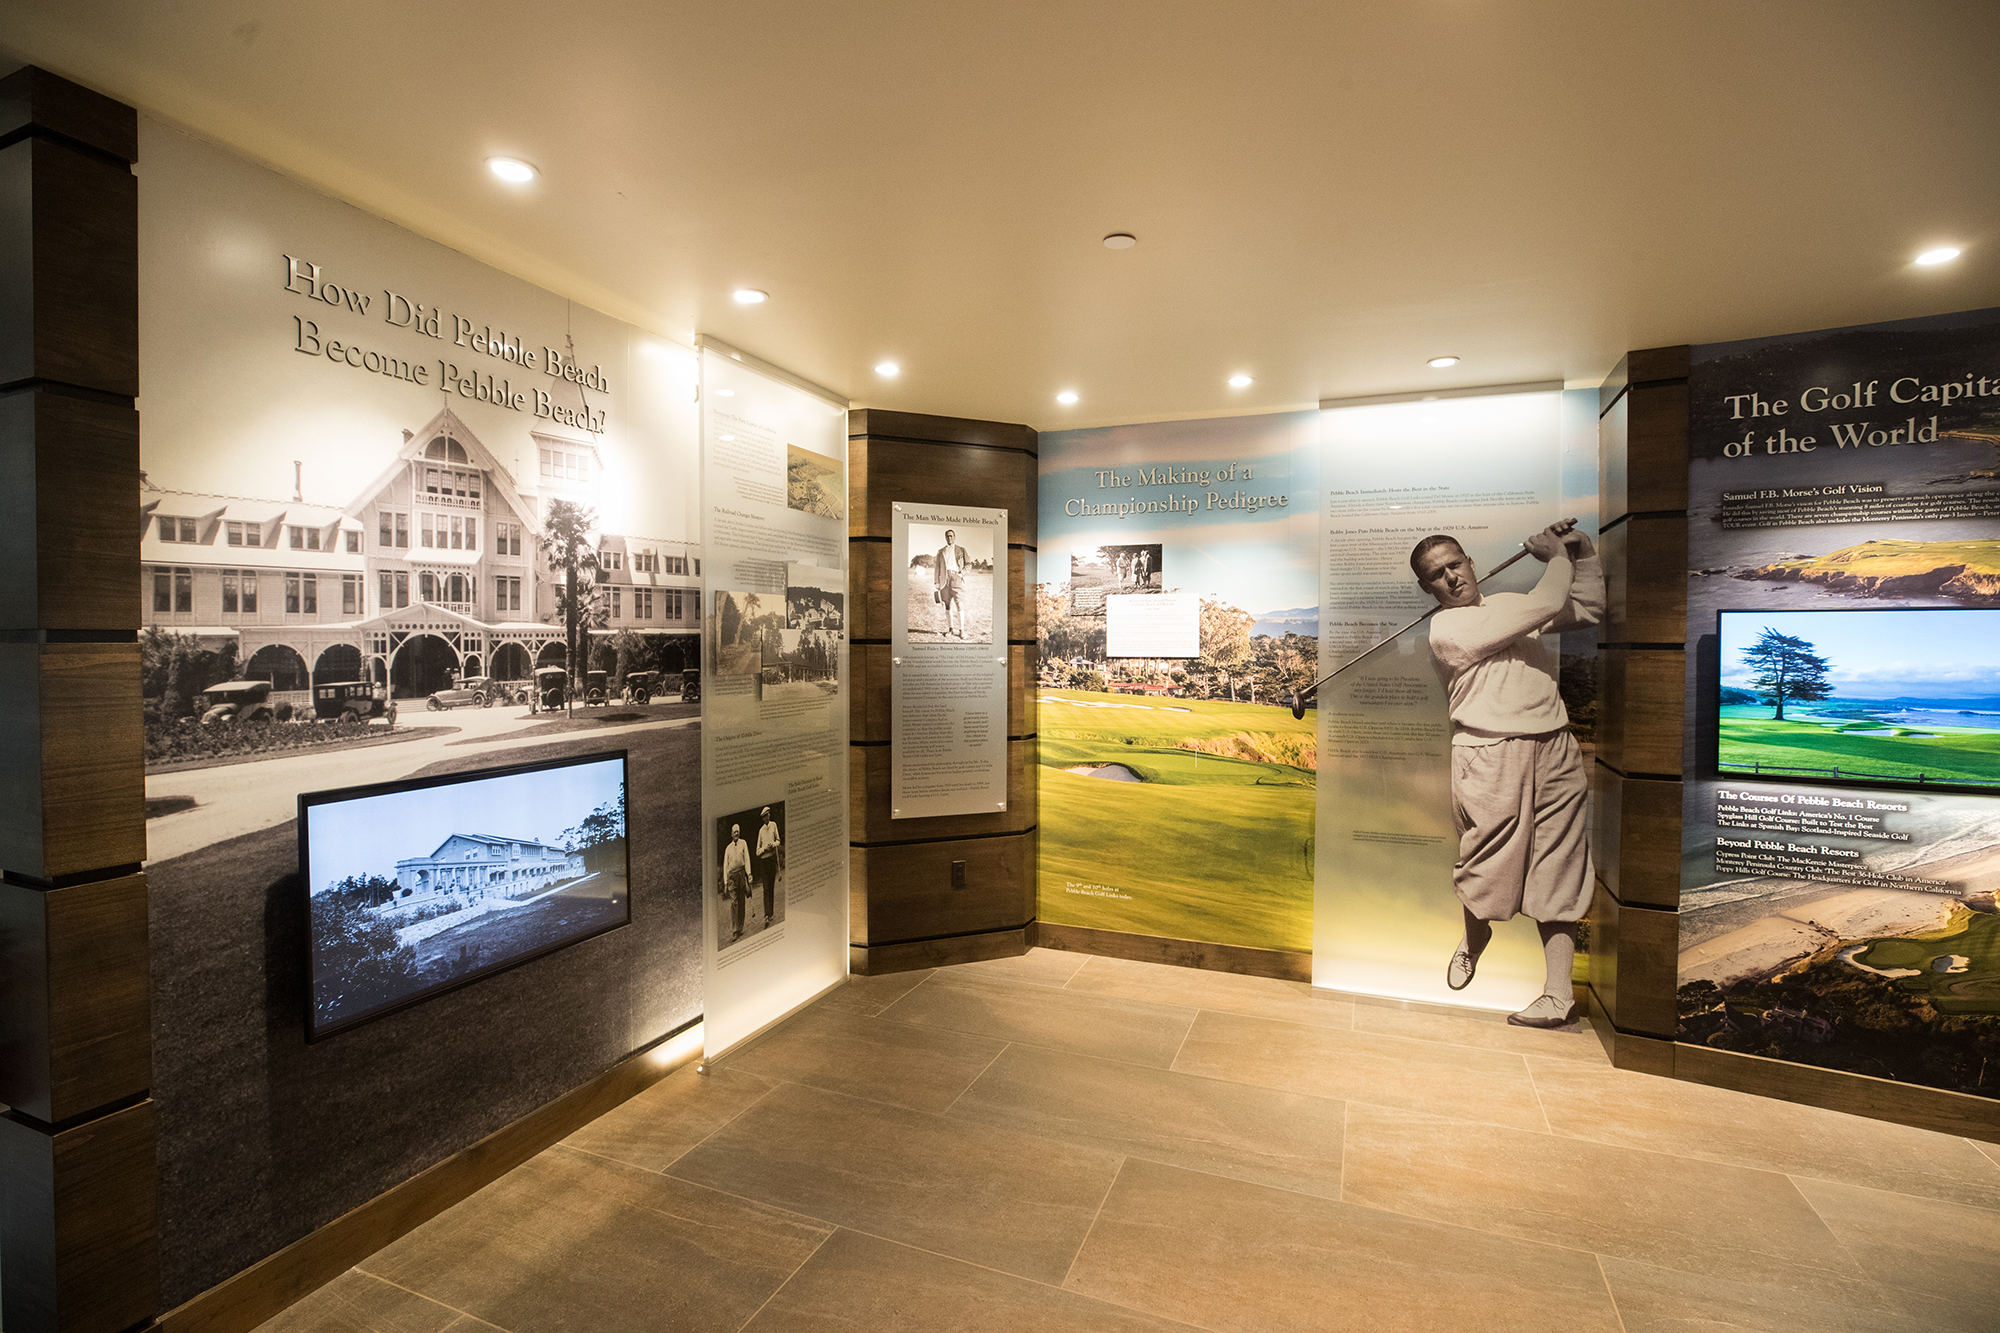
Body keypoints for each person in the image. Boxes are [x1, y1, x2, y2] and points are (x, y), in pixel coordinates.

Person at [1412, 520, 1603, 1028]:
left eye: (1455, 564)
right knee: (1487, 861)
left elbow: (1586, 609)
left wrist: (1579, 551)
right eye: (1437, 575)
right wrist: (1554, 558)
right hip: (1490, 753)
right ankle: (1476, 938)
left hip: (1555, 745)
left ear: (1471, 562)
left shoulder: (1507, 608)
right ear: (1427, 588)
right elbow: (1544, 603)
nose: (1450, 578)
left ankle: (1558, 995)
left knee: (1560, 863)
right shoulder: (1447, 629)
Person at [933, 529, 969, 639]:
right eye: (947, 536)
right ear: (945, 538)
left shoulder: (961, 550)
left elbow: (968, 564)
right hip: (944, 580)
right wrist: (936, 582)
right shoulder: (941, 552)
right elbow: (937, 568)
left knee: (959, 604)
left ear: (954, 537)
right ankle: (950, 630)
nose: (949, 538)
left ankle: (962, 631)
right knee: (947, 605)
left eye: (951, 536)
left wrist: (961, 574)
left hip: (956, 578)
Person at [722, 822, 751, 942]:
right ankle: (734, 931)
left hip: (741, 875)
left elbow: (747, 859)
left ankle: (740, 927)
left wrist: (749, 874)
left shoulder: (743, 843)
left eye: (738, 831)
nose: (736, 833)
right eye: (734, 831)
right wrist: (725, 882)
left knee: (742, 902)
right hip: (732, 878)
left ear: (739, 832)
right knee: (734, 903)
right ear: (731, 834)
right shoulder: (728, 848)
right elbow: (725, 866)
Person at [755, 806, 782, 926]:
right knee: (765, 888)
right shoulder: (761, 831)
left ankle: (770, 913)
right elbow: (757, 851)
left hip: (772, 860)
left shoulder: (774, 825)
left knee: (771, 886)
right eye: (764, 816)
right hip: (764, 861)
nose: (766, 817)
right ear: (762, 818)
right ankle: (766, 915)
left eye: (767, 815)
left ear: (769, 815)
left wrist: (773, 845)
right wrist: (764, 848)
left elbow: (778, 841)